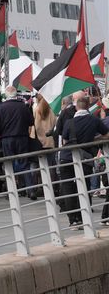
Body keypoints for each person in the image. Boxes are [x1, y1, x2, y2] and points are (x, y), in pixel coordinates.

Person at [58, 95, 108, 226]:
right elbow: (106, 134)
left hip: (65, 157)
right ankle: (82, 217)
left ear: (76, 107)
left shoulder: (69, 122)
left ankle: (72, 220)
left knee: (68, 188)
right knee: (83, 186)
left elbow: (64, 140)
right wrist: (93, 140)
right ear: (88, 107)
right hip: (84, 157)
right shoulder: (93, 120)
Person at [0, 86, 35, 194]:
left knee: (9, 164)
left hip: (7, 139)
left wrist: (1, 132)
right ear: (16, 94)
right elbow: (31, 122)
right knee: (25, 164)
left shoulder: (2, 108)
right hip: (22, 137)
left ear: (6, 95)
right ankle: (30, 190)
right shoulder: (23, 106)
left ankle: (11, 190)